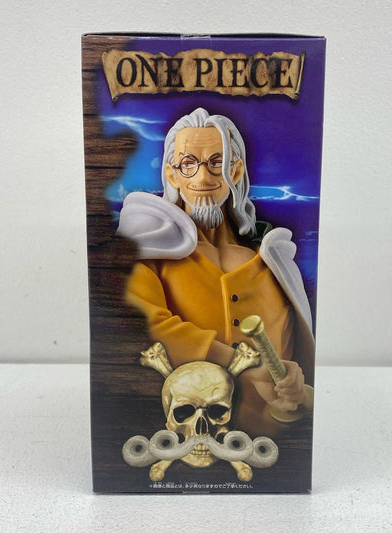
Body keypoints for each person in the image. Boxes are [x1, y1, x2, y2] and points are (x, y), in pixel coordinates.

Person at [118, 108, 315, 436]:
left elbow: (294, 360)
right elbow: (146, 326)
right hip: (180, 435)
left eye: (216, 163)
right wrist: (243, 363)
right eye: (188, 163)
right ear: (172, 174)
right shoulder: (148, 252)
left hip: (266, 441)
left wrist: (296, 390)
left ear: (235, 171)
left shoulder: (272, 262)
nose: (203, 178)